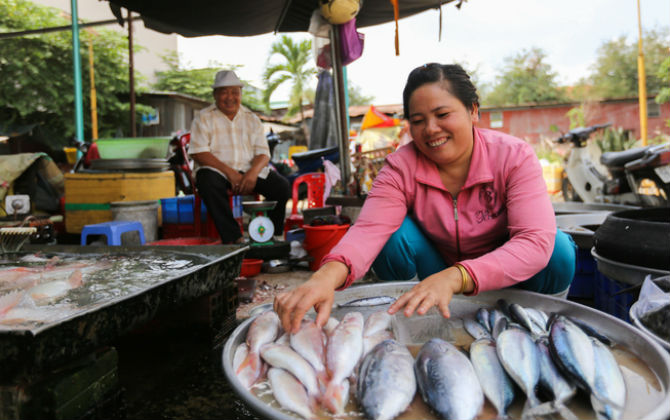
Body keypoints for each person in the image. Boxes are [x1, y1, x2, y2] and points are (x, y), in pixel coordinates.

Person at [274, 63, 576, 333]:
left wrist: (459, 276)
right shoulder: (401, 166)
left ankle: (539, 329)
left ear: (473, 110)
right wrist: (324, 278)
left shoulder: (514, 156)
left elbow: (534, 243)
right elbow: (368, 231)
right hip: (435, 272)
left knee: (557, 250)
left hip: (504, 277)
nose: (431, 129)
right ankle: (415, 323)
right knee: (393, 238)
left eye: (443, 114)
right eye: (418, 120)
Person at [189, 70, 290, 244]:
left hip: (248, 171)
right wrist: (230, 173)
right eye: (224, 92)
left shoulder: (251, 119)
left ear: (240, 94)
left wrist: (252, 173)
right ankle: (234, 238)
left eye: (234, 92)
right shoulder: (204, 117)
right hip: (217, 172)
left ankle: (269, 235)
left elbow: (263, 153)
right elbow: (199, 152)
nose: (230, 97)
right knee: (206, 181)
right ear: (215, 95)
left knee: (282, 187)